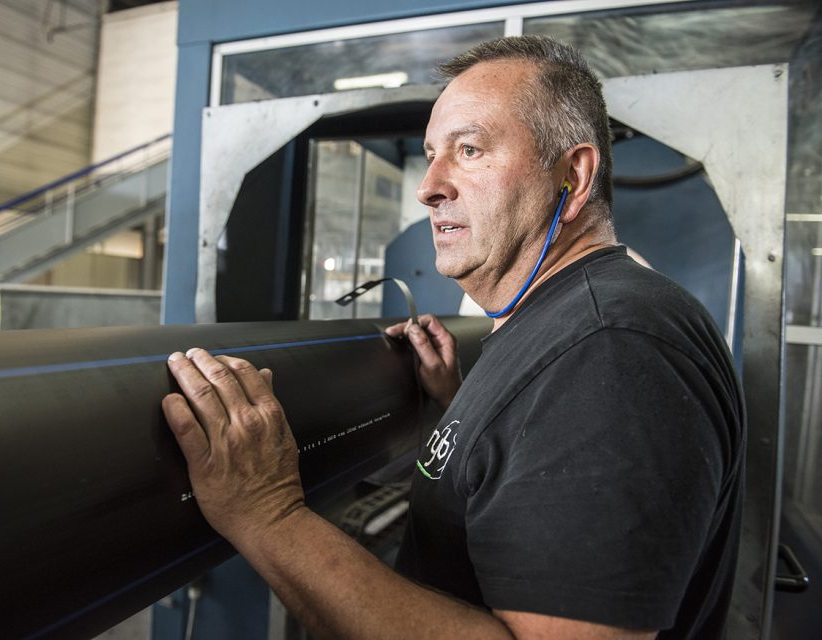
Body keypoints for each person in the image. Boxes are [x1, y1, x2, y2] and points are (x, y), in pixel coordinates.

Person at [162, 36, 745, 639]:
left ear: (572, 176)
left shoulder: (610, 348)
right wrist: (461, 407)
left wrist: (270, 515)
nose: (429, 186)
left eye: (469, 150)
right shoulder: (558, 321)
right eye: (431, 154)